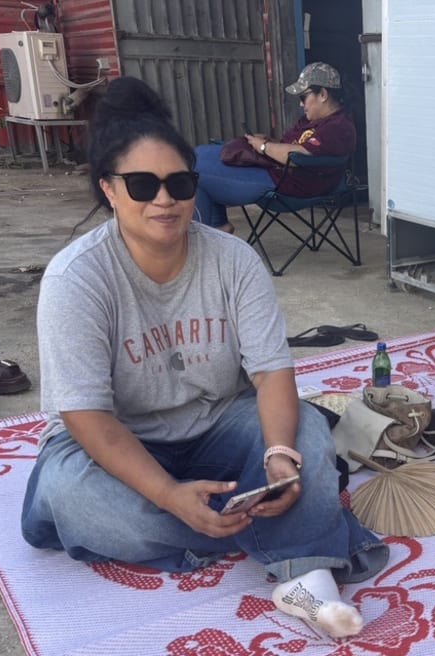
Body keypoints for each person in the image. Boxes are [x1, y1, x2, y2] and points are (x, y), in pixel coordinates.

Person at [21, 76, 386, 640]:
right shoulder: (77, 279)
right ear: (109, 190)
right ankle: (297, 544)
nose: (164, 199)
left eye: (179, 182)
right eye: (142, 185)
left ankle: (286, 549)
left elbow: (270, 373)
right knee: (78, 497)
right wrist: (168, 495)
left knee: (308, 433)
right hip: (117, 438)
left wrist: (282, 455)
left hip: (217, 420)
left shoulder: (234, 260)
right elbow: (87, 418)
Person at [192, 62, 357, 233]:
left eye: (303, 97)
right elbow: (296, 145)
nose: (301, 105)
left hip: (287, 185)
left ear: (322, 94)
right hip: (275, 170)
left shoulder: (338, 127)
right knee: (197, 155)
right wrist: (270, 141)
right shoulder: (312, 121)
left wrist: (263, 146)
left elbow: (299, 155)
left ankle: (205, 237)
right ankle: (217, 227)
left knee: (191, 172)